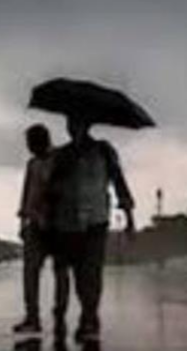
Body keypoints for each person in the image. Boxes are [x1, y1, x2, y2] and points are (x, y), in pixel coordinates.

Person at [49, 116, 136, 343]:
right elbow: (51, 189)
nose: (72, 128)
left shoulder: (104, 151)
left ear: (86, 126)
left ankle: (89, 319)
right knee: (79, 275)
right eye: (70, 124)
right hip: (67, 223)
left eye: (76, 123)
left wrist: (130, 218)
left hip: (97, 221)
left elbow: (119, 183)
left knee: (92, 273)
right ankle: (88, 315)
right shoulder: (62, 155)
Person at [13, 124, 70, 336]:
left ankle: (59, 314)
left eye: (30, 143)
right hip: (35, 225)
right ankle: (32, 317)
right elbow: (26, 193)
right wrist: (23, 223)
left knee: (61, 272)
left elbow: (66, 191)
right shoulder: (32, 163)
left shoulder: (61, 160)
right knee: (30, 272)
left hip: (59, 225)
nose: (28, 148)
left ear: (41, 141)